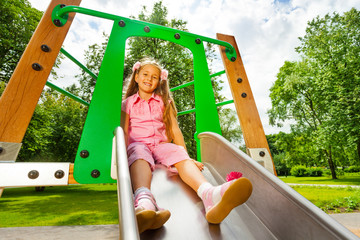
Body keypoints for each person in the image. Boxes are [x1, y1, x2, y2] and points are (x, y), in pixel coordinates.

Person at [121, 58, 252, 233]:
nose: (149, 79)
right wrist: (121, 160)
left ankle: (209, 194)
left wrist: (187, 156)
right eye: (145, 74)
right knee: (138, 154)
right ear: (136, 76)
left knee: (177, 153)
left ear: (159, 81)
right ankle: (145, 203)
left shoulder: (163, 102)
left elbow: (174, 130)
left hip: (161, 144)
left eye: (154, 77)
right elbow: (123, 131)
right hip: (138, 144)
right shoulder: (127, 103)